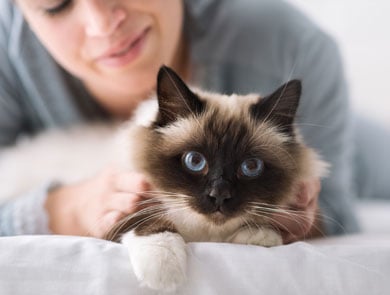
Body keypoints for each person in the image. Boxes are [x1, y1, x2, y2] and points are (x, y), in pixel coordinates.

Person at [0, 0, 363, 240]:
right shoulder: (6, 52)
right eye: (54, 3)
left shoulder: (291, 45)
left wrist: (302, 215)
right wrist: (71, 209)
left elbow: (338, 216)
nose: (102, 24)